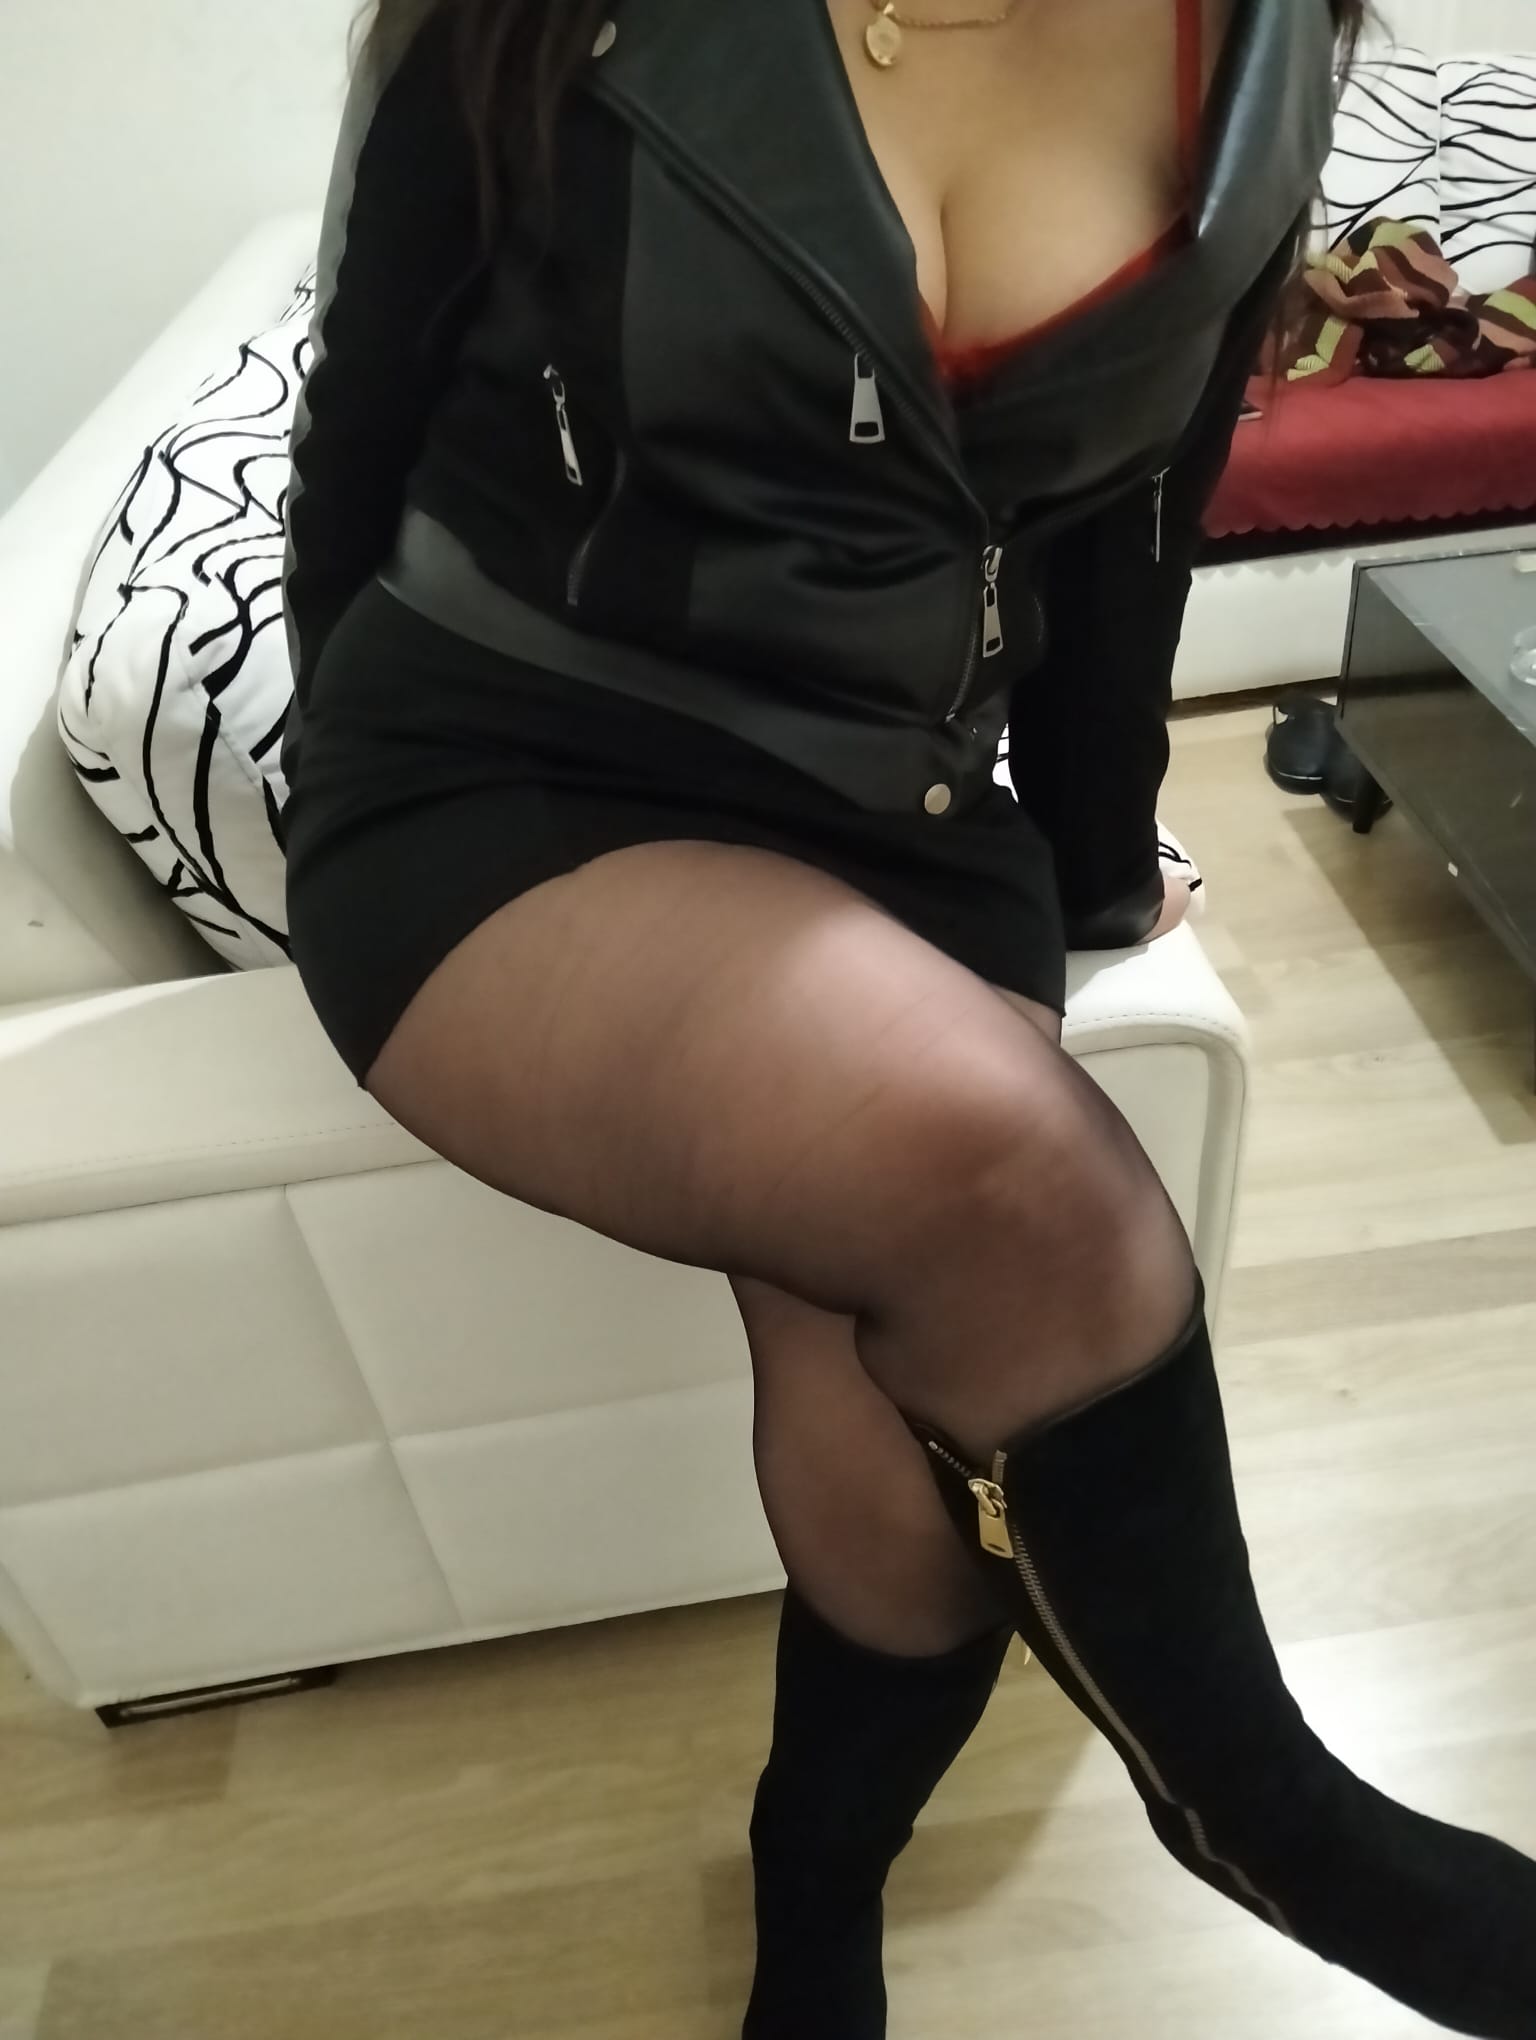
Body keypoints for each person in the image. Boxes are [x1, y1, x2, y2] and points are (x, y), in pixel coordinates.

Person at [278, 2, 1536, 2034]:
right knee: (1004, 1168)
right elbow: (358, 436)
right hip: (511, 771)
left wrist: (1100, 863)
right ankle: (1278, 1821)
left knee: (891, 1439)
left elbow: (1137, 513)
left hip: (907, 805)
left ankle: (814, 1886)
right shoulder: (532, 21)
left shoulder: (1261, 38)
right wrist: (338, 780)